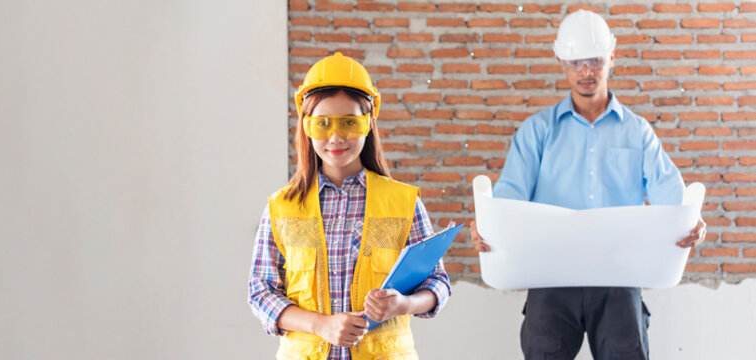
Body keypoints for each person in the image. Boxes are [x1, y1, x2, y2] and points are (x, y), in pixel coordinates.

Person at [468, 10, 707, 359]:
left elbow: (671, 196)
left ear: (611, 56)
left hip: (618, 280)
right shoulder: (537, 132)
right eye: (576, 62)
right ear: (561, 61)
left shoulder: (637, 132)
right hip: (550, 278)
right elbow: (509, 198)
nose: (586, 71)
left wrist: (692, 222)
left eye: (594, 60)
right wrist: (488, 226)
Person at [247, 52, 450, 360]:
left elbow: (438, 283)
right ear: (306, 126)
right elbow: (261, 292)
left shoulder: (403, 202)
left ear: (369, 124)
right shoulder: (281, 207)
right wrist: (321, 325)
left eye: (349, 122)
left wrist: (402, 304)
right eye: (323, 123)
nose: (337, 136)